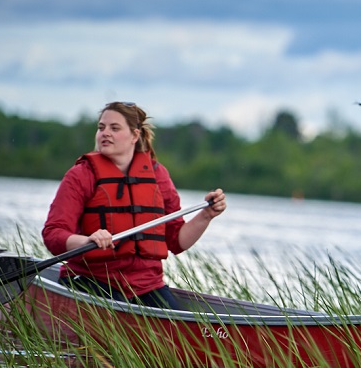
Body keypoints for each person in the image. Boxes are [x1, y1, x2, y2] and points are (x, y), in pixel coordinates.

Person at [42, 101, 226, 309]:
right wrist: (87, 241)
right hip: (91, 280)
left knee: (173, 323)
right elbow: (53, 234)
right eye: (101, 128)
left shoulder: (158, 175)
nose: (105, 133)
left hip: (148, 286)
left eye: (115, 128)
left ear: (135, 135)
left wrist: (206, 215)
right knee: (118, 307)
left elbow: (177, 241)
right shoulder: (81, 175)